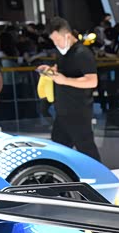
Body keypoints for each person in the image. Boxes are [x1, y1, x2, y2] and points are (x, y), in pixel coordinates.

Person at [37, 17, 101, 161]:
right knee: (59, 150)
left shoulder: (82, 53)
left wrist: (65, 80)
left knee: (86, 149)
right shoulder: (63, 53)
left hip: (78, 111)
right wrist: (49, 72)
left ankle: (98, 173)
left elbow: (92, 81)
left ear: (67, 35)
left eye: (57, 39)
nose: (56, 43)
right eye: (53, 40)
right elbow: (61, 72)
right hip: (63, 110)